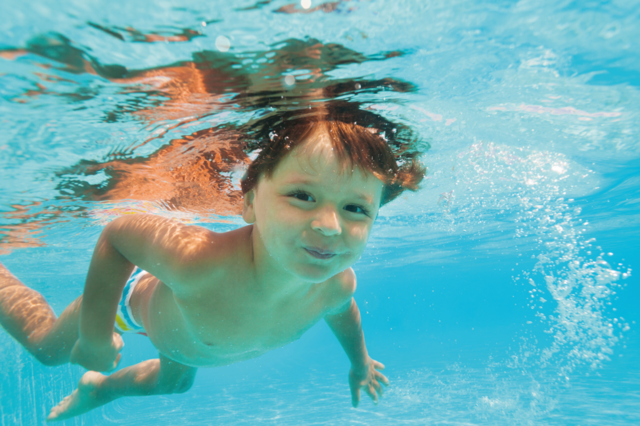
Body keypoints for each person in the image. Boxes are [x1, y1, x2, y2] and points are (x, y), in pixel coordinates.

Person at [0, 105, 425, 421]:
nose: (330, 225)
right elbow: (118, 235)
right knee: (46, 350)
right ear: (250, 201)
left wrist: (360, 363)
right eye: (302, 195)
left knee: (175, 383)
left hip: (189, 337)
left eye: (355, 208)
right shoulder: (197, 263)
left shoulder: (337, 284)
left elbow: (343, 314)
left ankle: (100, 390)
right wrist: (94, 336)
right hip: (132, 304)